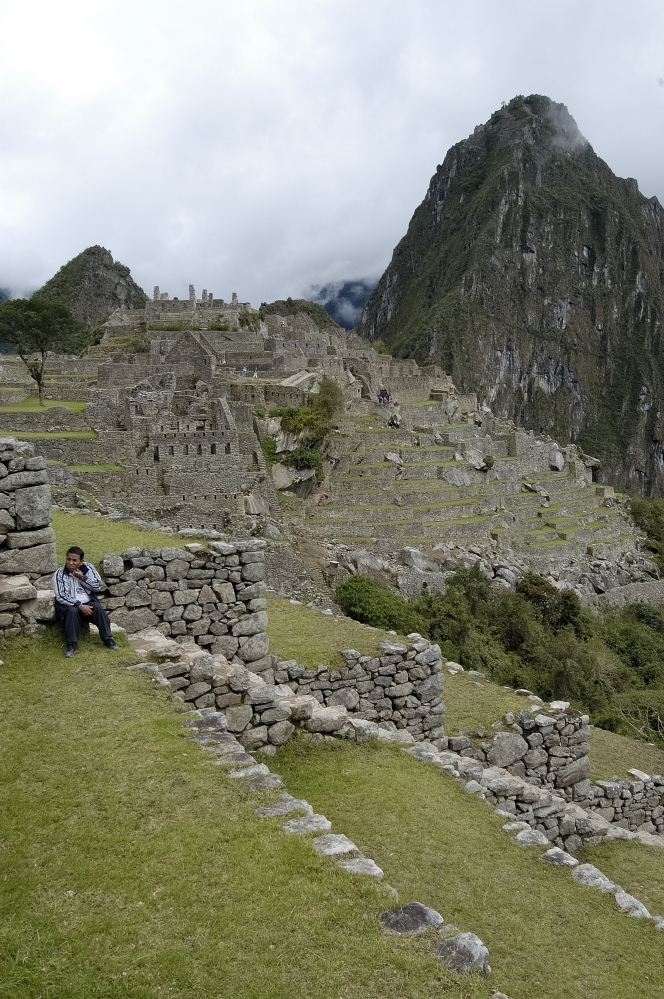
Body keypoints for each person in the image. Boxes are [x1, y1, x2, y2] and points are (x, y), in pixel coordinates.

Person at [53, 546, 119, 657]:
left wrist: (82, 578)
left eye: (74, 560)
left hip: (88, 602)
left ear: (81, 562)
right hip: (68, 606)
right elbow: (61, 596)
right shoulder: (59, 574)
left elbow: (98, 586)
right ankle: (71, 644)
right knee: (72, 612)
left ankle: (108, 639)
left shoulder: (88, 568)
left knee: (97, 608)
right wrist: (80, 605)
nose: (70, 563)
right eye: (68, 559)